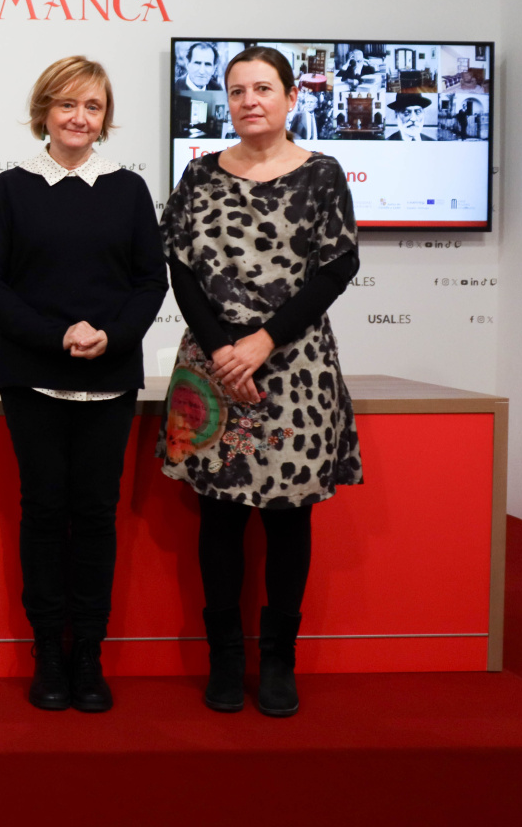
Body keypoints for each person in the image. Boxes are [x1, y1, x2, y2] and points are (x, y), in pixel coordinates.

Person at [158, 46, 362, 718]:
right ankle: (224, 658)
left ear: (290, 97)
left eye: (263, 88)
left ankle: (278, 661)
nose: (250, 100)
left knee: (287, 520)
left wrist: (263, 342)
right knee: (217, 514)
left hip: (294, 367)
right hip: (212, 366)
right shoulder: (198, 176)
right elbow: (180, 268)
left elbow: (335, 268)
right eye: (237, 90)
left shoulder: (323, 176)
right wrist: (223, 351)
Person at [0, 57, 166, 712]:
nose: (80, 118)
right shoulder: (12, 189)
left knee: (97, 519)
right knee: (45, 518)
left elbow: (149, 283)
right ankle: (48, 652)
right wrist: (59, 336)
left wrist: (108, 335)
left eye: (93, 107)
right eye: (68, 105)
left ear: (105, 118)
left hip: (110, 381)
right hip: (35, 382)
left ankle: (90, 655)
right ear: (45, 111)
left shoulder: (129, 191)